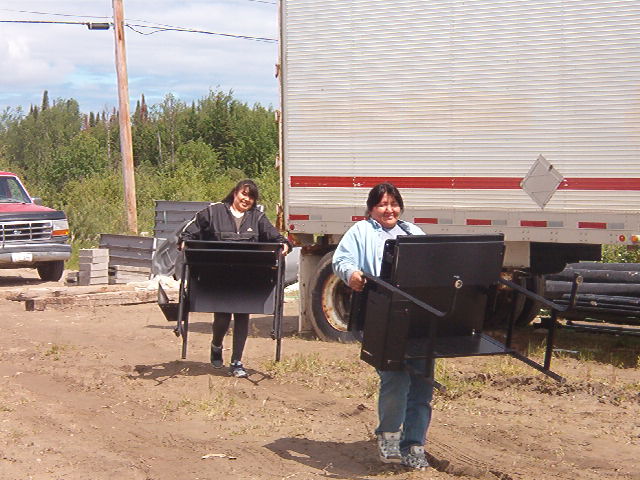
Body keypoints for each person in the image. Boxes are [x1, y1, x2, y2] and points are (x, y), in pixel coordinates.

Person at [332, 182, 432, 470]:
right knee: (396, 378)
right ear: (371, 208)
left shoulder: (414, 232)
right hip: (380, 317)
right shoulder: (360, 231)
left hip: (418, 318)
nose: (389, 209)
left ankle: (414, 443)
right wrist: (351, 274)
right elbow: (342, 260)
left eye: (394, 203)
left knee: (422, 382)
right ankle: (388, 436)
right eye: (382, 204)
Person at [179, 179, 290, 378]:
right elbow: (190, 231)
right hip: (219, 277)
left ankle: (237, 361)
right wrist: (184, 241)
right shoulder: (213, 212)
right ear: (235, 193)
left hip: (246, 278)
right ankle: (216, 345)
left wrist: (284, 244)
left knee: (242, 316)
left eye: (251, 196)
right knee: (222, 317)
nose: (246, 199)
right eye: (244, 194)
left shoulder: (257, 218)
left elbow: (275, 236)